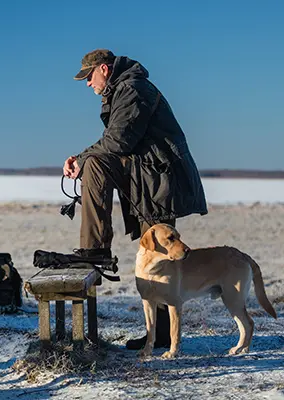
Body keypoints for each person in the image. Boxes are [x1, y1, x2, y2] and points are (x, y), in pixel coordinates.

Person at [64, 49, 208, 350]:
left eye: (89, 77)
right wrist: (84, 159)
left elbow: (119, 141)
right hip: (146, 175)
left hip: (160, 178)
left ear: (104, 69)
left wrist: (81, 157)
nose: (88, 84)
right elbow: (118, 144)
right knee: (96, 164)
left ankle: (165, 337)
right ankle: (94, 250)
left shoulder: (131, 89)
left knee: (162, 259)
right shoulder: (123, 88)